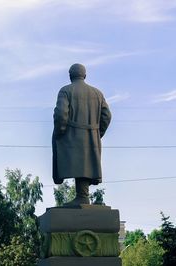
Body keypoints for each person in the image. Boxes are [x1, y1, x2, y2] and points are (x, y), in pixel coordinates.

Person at [52, 63, 112, 205]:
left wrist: (60, 132)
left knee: (80, 163)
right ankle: (82, 195)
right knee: (85, 164)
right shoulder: (97, 93)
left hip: (72, 137)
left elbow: (61, 114)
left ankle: (82, 197)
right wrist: (97, 133)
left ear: (70, 75)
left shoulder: (65, 91)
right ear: (84, 75)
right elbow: (107, 116)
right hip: (91, 136)